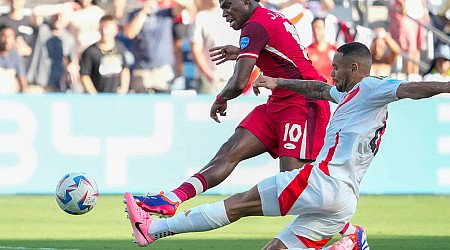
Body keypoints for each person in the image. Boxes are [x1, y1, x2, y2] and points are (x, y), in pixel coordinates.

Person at [124, 41, 450, 249]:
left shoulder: (372, 87)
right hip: (343, 201)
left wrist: (447, 85)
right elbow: (320, 91)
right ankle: (350, 241)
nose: (332, 72)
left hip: (322, 181)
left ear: (354, 68)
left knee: (237, 205)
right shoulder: (351, 94)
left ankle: (154, 229)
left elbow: (411, 89)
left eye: (336, 67)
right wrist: (278, 81)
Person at [132, 0, 332, 228]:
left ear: (246, 1)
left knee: (293, 190)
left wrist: (221, 98)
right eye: (221, 6)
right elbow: (281, 51)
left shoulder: (255, 25)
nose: (224, 12)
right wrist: (242, 52)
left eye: (228, 5)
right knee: (229, 152)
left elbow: (239, 82)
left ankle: (348, 230)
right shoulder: (268, 18)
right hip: (279, 100)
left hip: (302, 102)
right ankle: (173, 198)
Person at [123, 0, 189, 93]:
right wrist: (143, 11)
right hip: (142, 71)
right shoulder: (135, 14)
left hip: (162, 71)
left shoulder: (165, 13)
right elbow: (129, 33)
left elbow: (186, 5)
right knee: (141, 105)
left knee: (163, 105)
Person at [189, 0, 240, 93]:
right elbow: (196, 49)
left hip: (235, 79)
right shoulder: (201, 17)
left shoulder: (237, 16)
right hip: (210, 81)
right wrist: (209, 74)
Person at [26, 10, 78, 93]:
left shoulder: (69, 38)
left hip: (56, 87)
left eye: (61, 16)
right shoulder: (42, 29)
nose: (58, 18)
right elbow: (36, 12)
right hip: (36, 84)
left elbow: (73, 63)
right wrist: (59, 8)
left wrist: (71, 70)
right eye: (55, 15)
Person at [80, 14, 130, 94]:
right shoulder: (90, 52)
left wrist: (123, 90)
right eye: (101, 28)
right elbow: (84, 76)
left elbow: (125, 69)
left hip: (116, 97)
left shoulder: (120, 47)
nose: (104, 31)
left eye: (107, 28)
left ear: (115, 29)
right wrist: (94, 95)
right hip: (97, 97)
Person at [306, 17, 337, 84]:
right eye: (314, 28)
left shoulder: (334, 50)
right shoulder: (307, 52)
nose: (316, 31)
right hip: (315, 92)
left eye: (319, 28)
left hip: (332, 91)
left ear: (324, 29)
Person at [0, 25, 28, 94]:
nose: (7, 40)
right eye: (4, 36)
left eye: (10, 36)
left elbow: (22, 79)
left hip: (11, 98)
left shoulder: (16, 55)